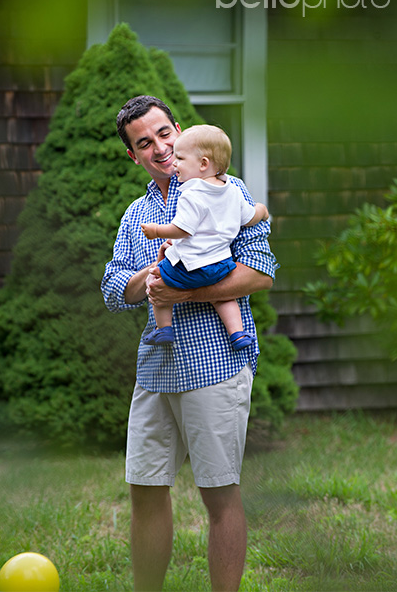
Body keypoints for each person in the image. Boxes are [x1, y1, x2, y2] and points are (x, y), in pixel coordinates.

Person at [101, 96, 278, 592]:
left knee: (219, 495)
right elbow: (114, 289)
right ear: (133, 155)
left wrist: (185, 291)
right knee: (144, 490)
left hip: (216, 363)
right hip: (156, 368)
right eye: (144, 143)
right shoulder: (137, 215)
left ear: (178, 130)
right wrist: (153, 276)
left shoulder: (225, 189)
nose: (159, 148)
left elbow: (259, 272)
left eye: (164, 134)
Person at [139, 124, 269, 350]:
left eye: (180, 158)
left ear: (203, 164)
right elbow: (249, 218)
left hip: (191, 266)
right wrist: (262, 210)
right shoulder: (233, 190)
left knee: (157, 279)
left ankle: (164, 329)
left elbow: (183, 229)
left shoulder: (191, 193)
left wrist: (157, 231)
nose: (174, 163)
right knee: (223, 297)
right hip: (221, 265)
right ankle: (237, 333)